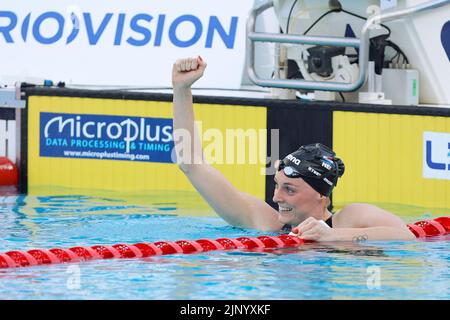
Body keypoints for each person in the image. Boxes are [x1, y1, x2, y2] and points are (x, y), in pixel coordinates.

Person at [171, 56, 415, 242]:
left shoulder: (349, 219)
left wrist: (331, 237)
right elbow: (191, 164)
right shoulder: (266, 222)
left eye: (289, 189)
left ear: (322, 194)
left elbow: (406, 237)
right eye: (277, 185)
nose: (277, 197)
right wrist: (181, 90)